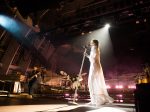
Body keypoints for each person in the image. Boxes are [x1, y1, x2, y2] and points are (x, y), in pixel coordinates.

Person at [85, 39, 114, 106]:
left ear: (94, 43)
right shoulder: (93, 48)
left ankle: (97, 100)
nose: (90, 43)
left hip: (95, 67)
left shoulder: (95, 49)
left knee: (93, 81)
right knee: (92, 82)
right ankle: (93, 100)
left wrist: (87, 56)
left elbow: (94, 59)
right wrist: (87, 55)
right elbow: (92, 59)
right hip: (93, 66)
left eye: (91, 42)